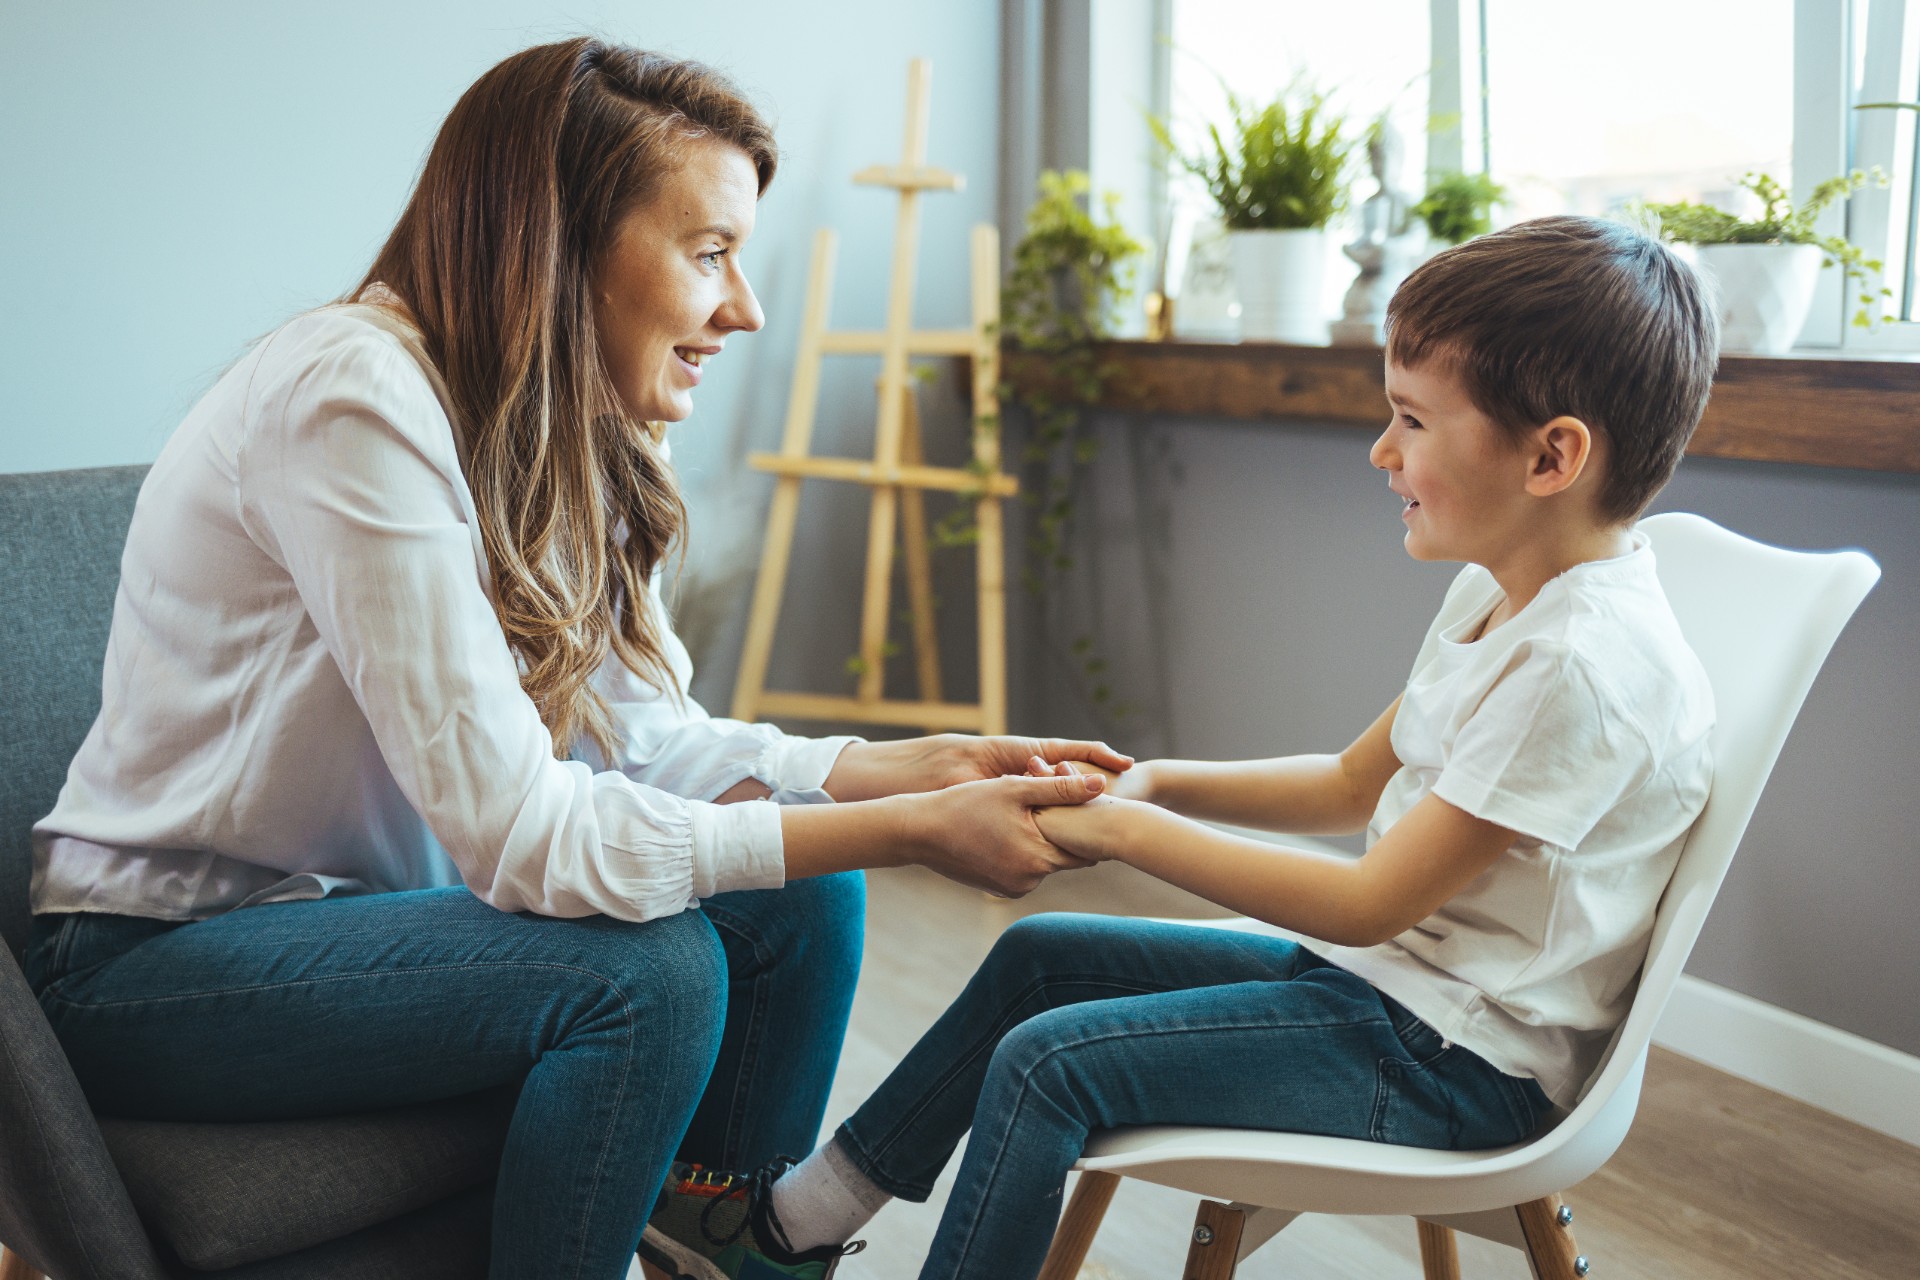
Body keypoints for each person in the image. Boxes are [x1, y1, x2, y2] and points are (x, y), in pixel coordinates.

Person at [24, 38, 1127, 1280]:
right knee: (645, 973)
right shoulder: (351, 397)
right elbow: (520, 833)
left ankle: (731, 1250)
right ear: (557, 244)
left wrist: (892, 770)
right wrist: (913, 830)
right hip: (156, 964)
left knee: (805, 888)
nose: (745, 308)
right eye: (710, 253)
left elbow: (645, 740)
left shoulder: (564, 419)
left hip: (372, 919)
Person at [637, 215, 1721, 1280]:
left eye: (1413, 421)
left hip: (1457, 1062)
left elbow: (1366, 902)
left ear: (1552, 456)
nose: (1382, 449)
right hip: (1389, 997)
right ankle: (791, 1232)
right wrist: (1151, 776)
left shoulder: (1578, 666)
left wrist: (1128, 829)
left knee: (1048, 1064)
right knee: (1040, 959)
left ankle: (790, 1240)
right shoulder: (1496, 595)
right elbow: (1350, 781)